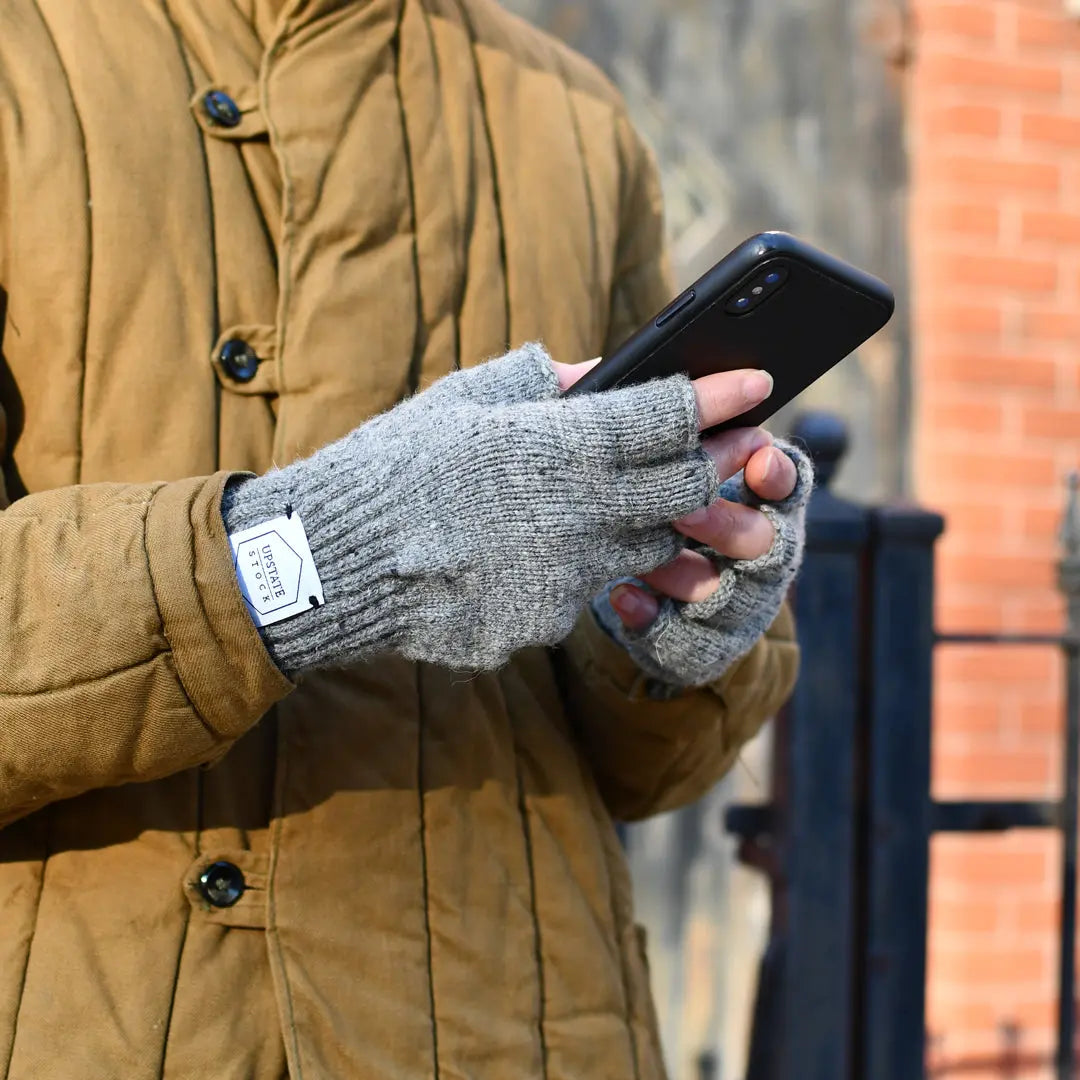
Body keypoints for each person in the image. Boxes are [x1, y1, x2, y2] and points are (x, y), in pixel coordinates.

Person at [0, 1, 810, 1077]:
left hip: (521, 1026)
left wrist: (668, 633)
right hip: (95, 1020)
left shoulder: (574, 117)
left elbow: (649, 774)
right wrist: (322, 555)